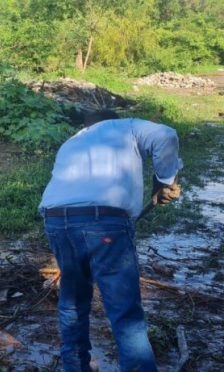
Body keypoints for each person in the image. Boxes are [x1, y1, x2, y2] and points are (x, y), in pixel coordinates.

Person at [38, 110, 182, 372]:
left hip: (56, 220)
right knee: (124, 311)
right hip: (104, 222)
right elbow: (166, 135)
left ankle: (75, 367)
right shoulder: (126, 126)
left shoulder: (71, 142)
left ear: (86, 126)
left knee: (73, 301)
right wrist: (164, 181)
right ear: (111, 120)